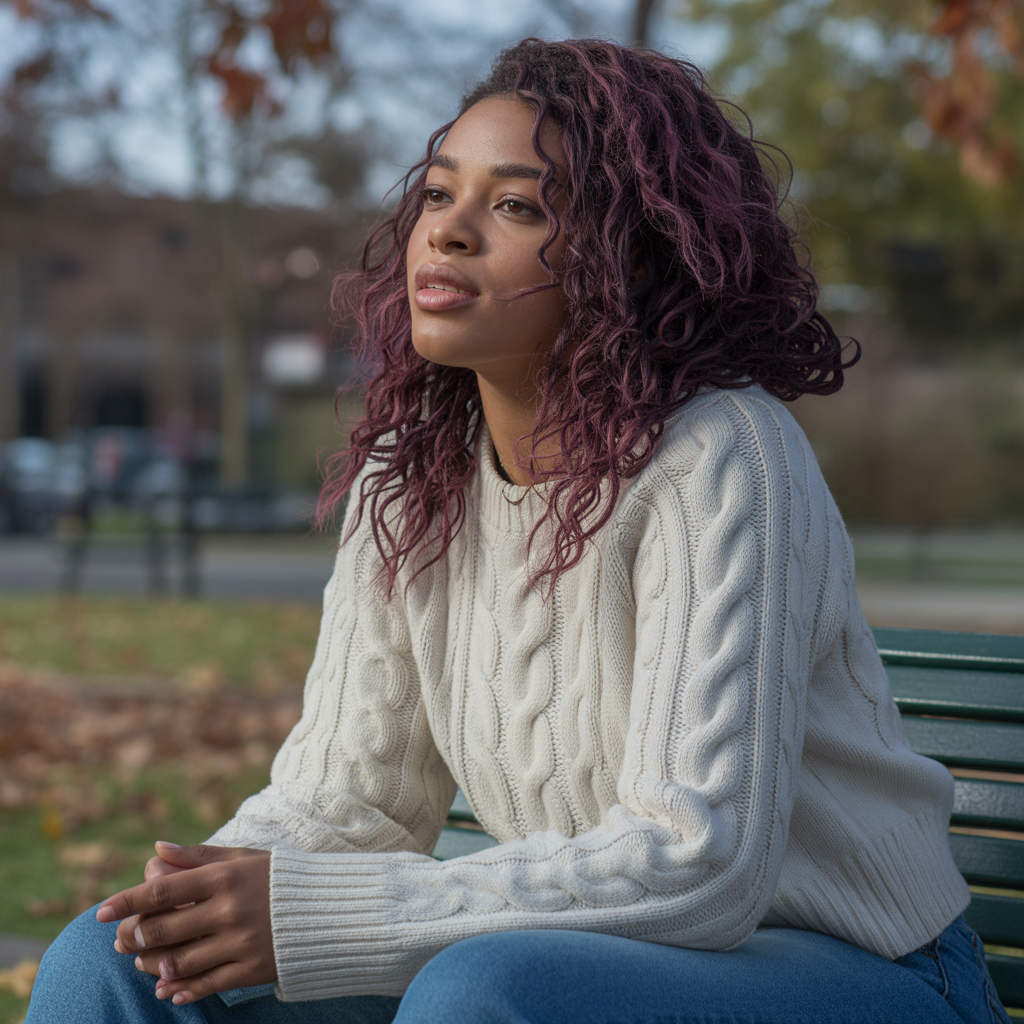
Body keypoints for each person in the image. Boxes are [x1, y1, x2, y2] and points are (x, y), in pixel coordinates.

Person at [27, 37, 1010, 1024]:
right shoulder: (412, 476)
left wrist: (321, 917)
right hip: (567, 966)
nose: (447, 234)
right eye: (439, 195)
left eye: (515, 206)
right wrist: (198, 896)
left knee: (479, 995)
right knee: (109, 961)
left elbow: (696, 861)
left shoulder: (721, 455)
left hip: (856, 973)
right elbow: (347, 804)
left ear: (631, 255)